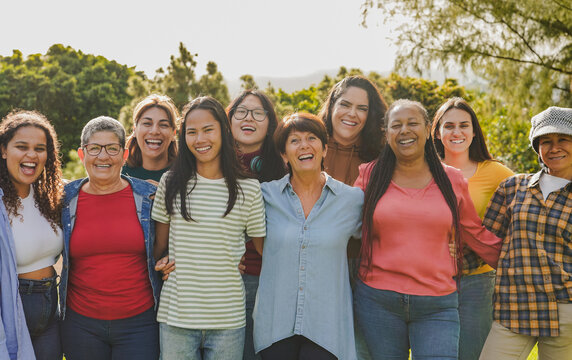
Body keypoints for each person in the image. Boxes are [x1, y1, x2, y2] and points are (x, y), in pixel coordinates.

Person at [354, 99, 503, 360]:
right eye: (396, 125)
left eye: (413, 123)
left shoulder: (452, 179)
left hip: (438, 303)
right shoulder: (369, 175)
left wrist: (522, 264)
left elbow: (474, 233)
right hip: (378, 302)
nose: (404, 130)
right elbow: (341, 221)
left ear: (426, 129)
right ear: (386, 133)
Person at [152, 96, 266, 360]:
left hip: (228, 318)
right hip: (177, 315)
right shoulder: (171, 183)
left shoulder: (248, 188)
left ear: (224, 133)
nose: (200, 139)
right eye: (191, 132)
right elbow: (159, 247)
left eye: (208, 130)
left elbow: (264, 250)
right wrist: (161, 263)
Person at [254, 113, 363, 360]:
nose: (304, 145)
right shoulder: (264, 196)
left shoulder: (352, 200)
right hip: (275, 324)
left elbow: (381, 237)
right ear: (284, 155)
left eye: (311, 138)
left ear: (324, 149)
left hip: (327, 326)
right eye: (294, 140)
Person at [60, 116, 163, 360]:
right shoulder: (63, 200)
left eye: (112, 148)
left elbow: (175, 240)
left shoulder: (149, 197)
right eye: (94, 148)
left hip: (140, 325)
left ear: (124, 154)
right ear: (82, 154)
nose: (103, 157)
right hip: (81, 325)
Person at [479, 106, 572, 360]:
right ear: (537, 147)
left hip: (564, 310)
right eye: (546, 141)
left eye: (563, 139)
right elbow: (484, 240)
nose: (554, 148)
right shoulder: (513, 187)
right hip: (514, 307)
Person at [431, 97, 514, 360]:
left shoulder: (496, 172)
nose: (457, 132)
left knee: (471, 354)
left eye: (464, 125)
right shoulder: (424, 172)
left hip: (477, 281)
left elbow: (523, 211)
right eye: (449, 126)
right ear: (437, 132)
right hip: (430, 279)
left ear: (474, 131)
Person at [318, 74, 387, 360]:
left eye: (362, 108)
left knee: (360, 350)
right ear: (332, 105)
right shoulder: (307, 145)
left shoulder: (382, 157)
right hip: (313, 262)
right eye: (345, 104)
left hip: (361, 266)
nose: (352, 114)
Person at [227, 89, 286, 360]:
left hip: (265, 278)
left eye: (258, 112)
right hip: (220, 277)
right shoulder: (210, 161)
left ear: (269, 122)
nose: (248, 117)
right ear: (229, 119)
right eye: (241, 111)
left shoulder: (284, 167)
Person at [0, 110, 62, 360]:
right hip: (12, 310)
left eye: (40, 148)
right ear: (3, 150)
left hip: (51, 309)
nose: (31, 155)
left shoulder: (53, 196)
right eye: (22, 147)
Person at [123, 94, 179, 185]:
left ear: (173, 133)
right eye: (147, 123)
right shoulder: (119, 174)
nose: (154, 131)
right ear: (134, 130)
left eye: (163, 125)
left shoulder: (187, 175)